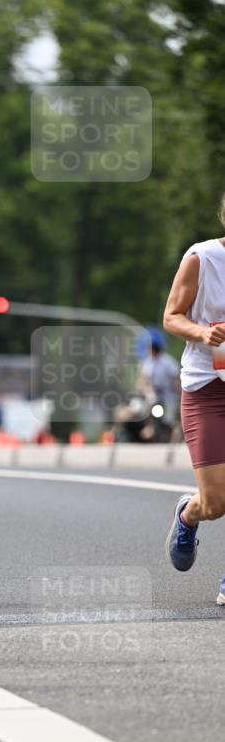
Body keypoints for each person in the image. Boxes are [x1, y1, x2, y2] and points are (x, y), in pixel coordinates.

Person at [163, 194, 225, 606]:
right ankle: (189, 514)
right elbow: (171, 315)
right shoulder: (201, 258)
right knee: (217, 502)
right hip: (206, 388)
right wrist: (202, 333)